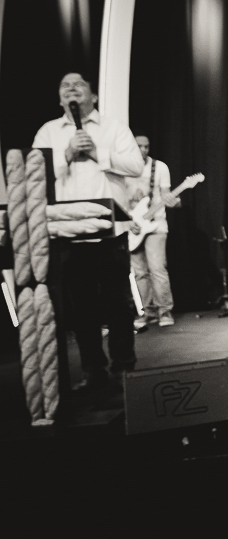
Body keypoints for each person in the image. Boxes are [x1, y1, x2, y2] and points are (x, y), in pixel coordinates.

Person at [32, 72, 144, 392]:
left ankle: (125, 367)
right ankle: (94, 370)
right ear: (60, 100)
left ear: (92, 97)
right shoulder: (48, 132)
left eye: (78, 85)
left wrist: (98, 153)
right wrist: (66, 154)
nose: (72, 89)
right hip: (67, 234)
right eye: (65, 86)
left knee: (118, 303)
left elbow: (136, 166)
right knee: (82, 309)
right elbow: (33, 174)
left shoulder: (114, 128)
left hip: (110, 230)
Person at [127, 134, 180, 331]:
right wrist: (128, 221)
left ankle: (164, 310)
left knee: (157, 269)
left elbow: (166, 194)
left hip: (156, 225)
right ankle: (147, 311)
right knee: (140, 273)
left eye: (146, 147)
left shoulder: (160, 167)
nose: (143, 150)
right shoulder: (123, 168)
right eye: (139, 146)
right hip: (133, 225)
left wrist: (174, 200)